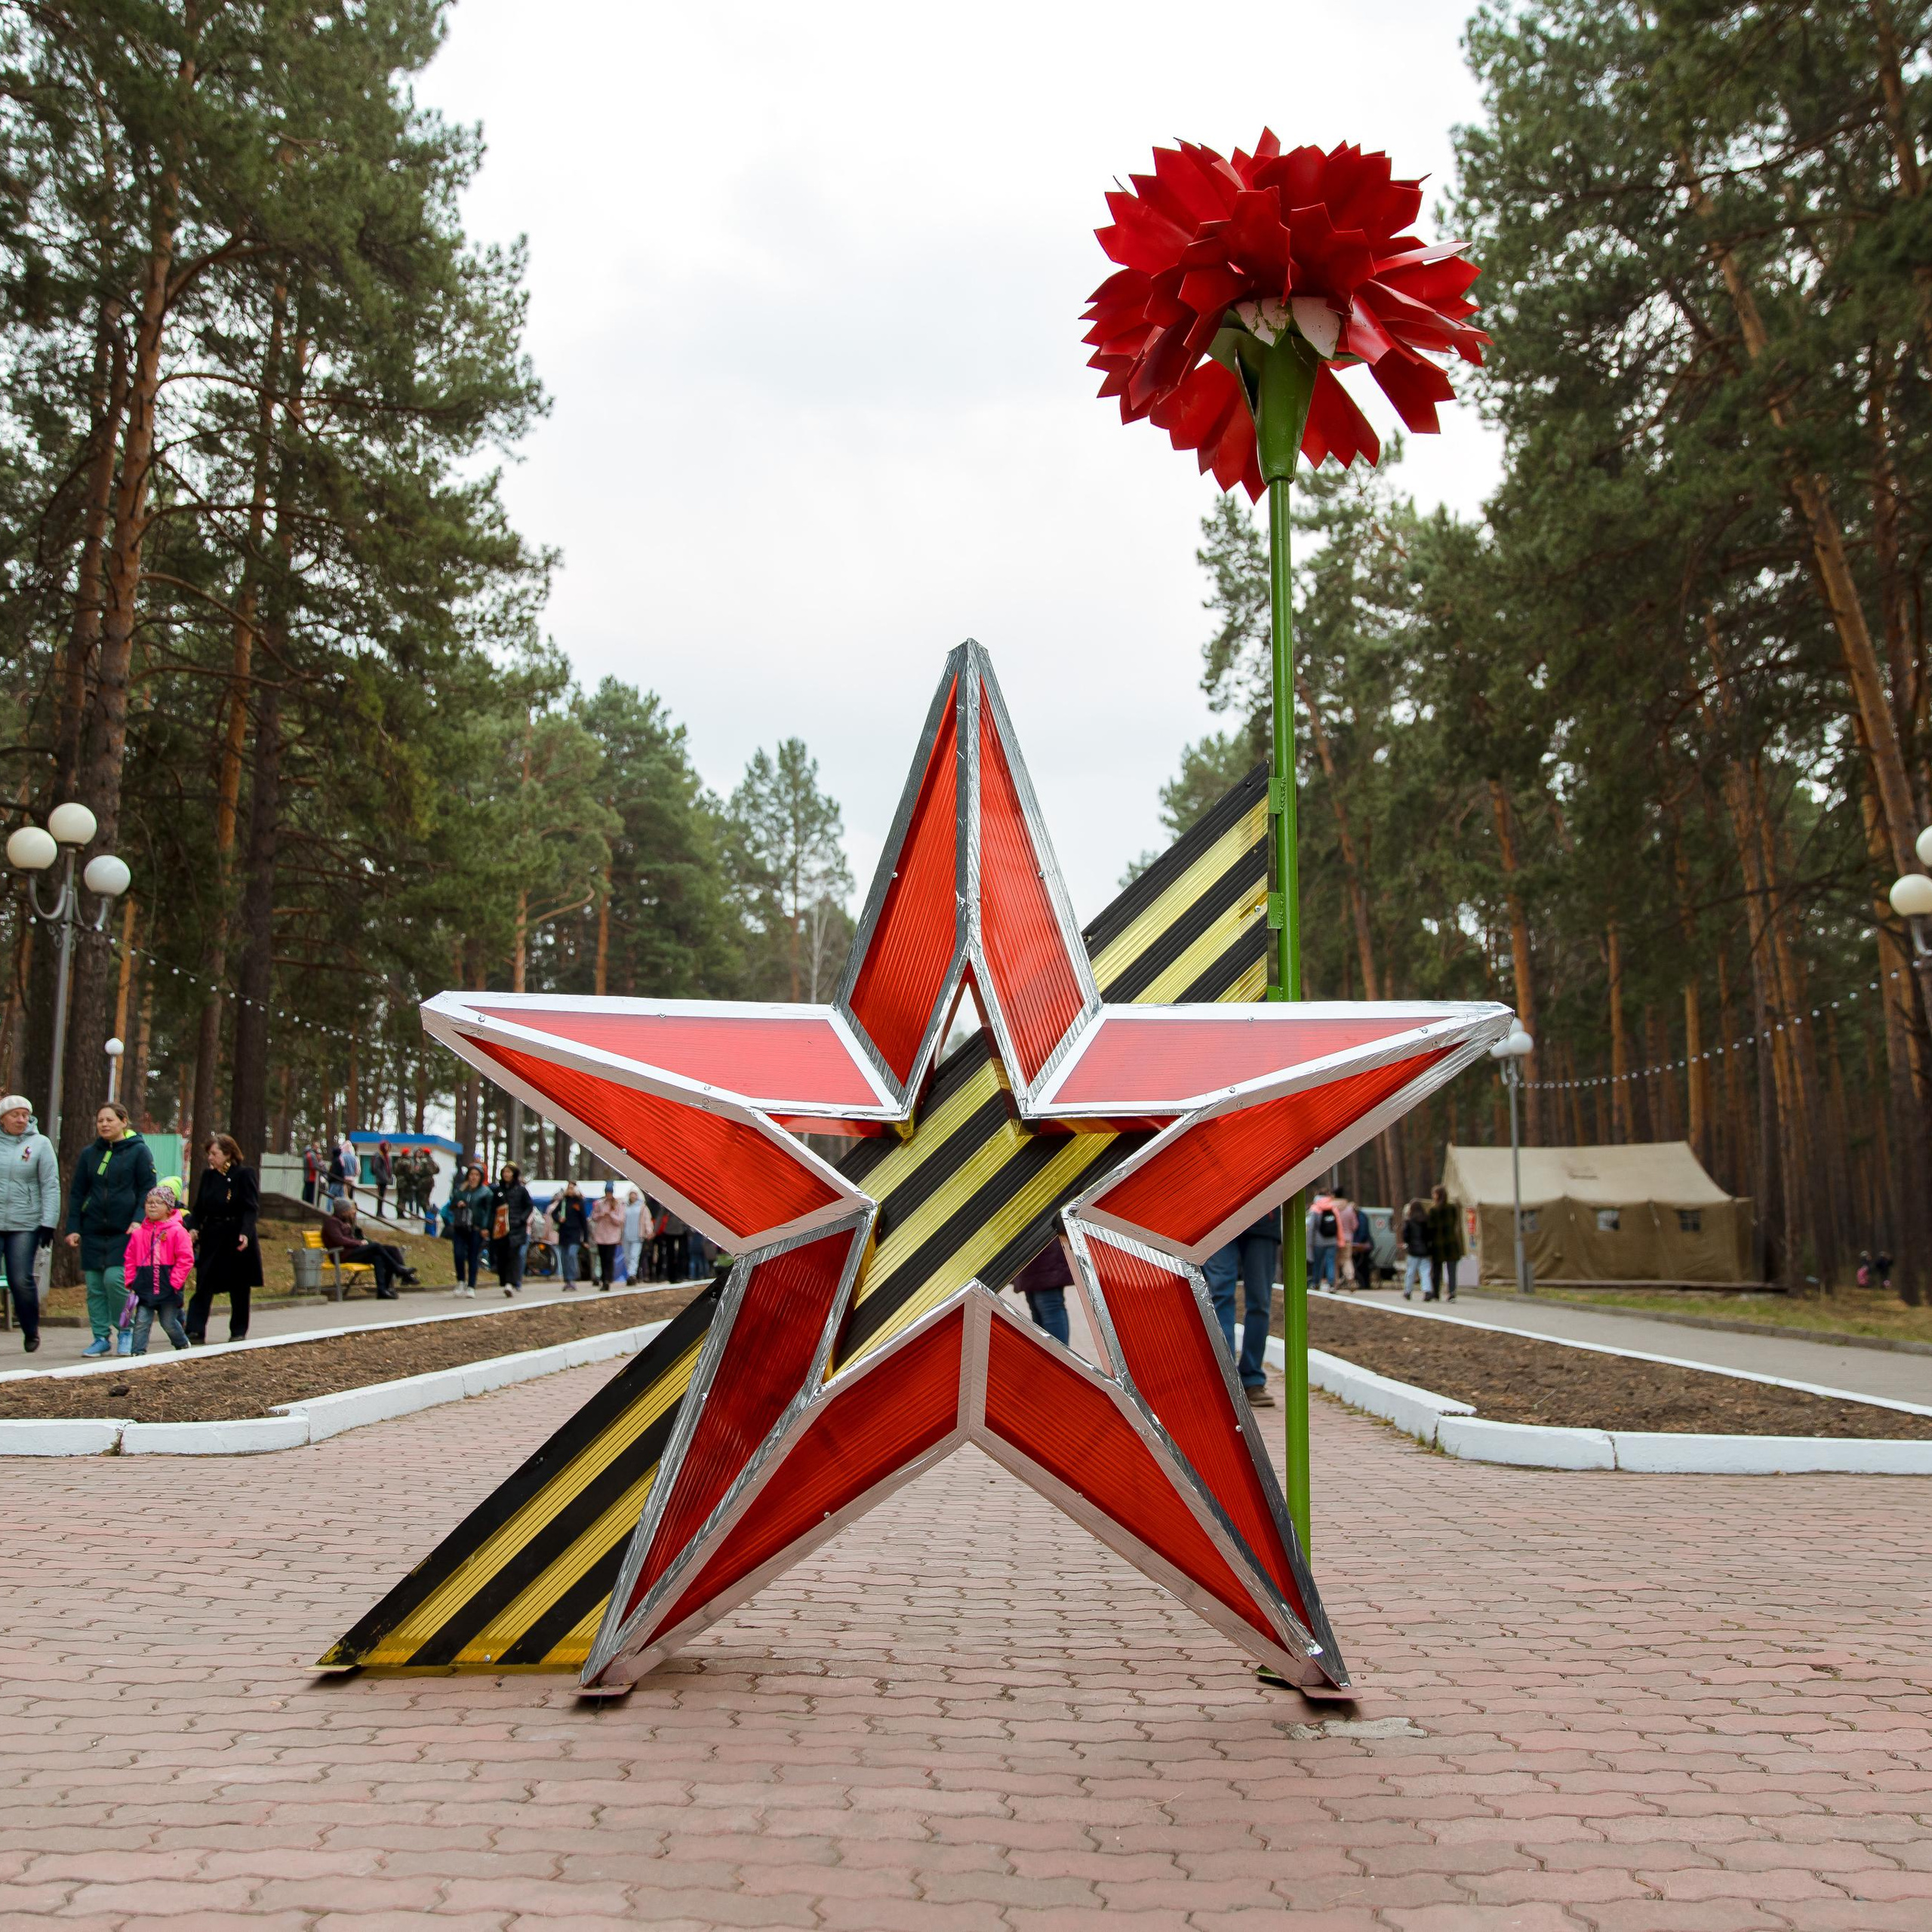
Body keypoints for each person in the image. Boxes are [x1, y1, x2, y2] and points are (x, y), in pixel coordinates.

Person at [65, 1100, 156, 1358]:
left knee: (115, 1280)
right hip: (93, 1230)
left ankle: (125, 1330)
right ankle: (100, 1337)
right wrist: (73, 1227)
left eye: (110, 1120)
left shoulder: (139, 1152)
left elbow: (147, 1189)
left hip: (125, 1231)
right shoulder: (89, 1154)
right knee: (95, 1285)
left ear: (123, 1122)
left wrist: (139, 1219)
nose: (104, 1124)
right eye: (100, 1121)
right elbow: (78, 1193)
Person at [185, 1133, 264, 1343]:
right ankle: (195, 1329)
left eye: (214, 1153)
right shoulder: (208, 1176)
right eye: (209, 1154)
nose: (210, 1158)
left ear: (228, 1154)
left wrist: (245, 1232)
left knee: (239, 1286)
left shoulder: (244, 1174)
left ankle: (238, 1330)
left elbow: (250, 1208)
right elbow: (199, 1209)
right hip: (212, 1235)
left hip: (236, 1235)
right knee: (204, 1283)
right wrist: (193, 1227)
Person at [0, 1094, 59, 1355]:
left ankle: (30, 1329)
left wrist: (48, 1223)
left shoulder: (40, 1144)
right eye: (15, 1115)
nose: (21, 1119)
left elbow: (50, 1185)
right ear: (3, 1119)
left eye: (25, 1115)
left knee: (20, 1279)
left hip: (25, 1223)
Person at [1204, 1208, 1279, 1406]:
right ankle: (1227, 1380)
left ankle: (1252, 1379)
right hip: (1218, 1217)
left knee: (1260, 1301)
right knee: (1220, 1296)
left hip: (1263, 1217)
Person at [122, 1184, 193, 1355]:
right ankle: (137, 1353)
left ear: (169, 1208)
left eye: (158, 1202)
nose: (152, 1206)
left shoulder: (178, 1232)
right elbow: (130, 1259)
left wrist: (175, 1282)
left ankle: (183, 1345)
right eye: (149, 1202)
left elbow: (186, 1259)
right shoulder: (139, 1233)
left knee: (168, 1322)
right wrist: (131, 1280)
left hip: (169, 1288)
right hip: (144, 1287)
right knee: (141, 1321)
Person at [320, 1196, 417, 1298]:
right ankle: (399, 1270)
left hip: (352, 1251)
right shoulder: (332, 1222)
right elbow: (339, 1240)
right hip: (342, 1254)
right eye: (349, 1210)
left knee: (383, 1255)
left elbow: (352, 1237)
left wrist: (359, 1239)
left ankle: (383, 1290)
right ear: (343, 1211)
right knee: (376, 1246)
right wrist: (359, 1243)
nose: (352, 1212)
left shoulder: (345, 1222)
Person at [1012, 1231, 1073, 1346]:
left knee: (1048, 1304)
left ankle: (1058, 1354)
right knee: (1035, 1304)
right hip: (1029, 1243)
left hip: (1044, 1240)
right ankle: (1046, 1353)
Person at [448, 1163, 492, 1297]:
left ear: (481, 1177)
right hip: (460, 1227)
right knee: (458, 1254)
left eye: (477, 1175)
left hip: (476, 1228)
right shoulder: (461, 1190)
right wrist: (458, 1203)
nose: (474, 1177)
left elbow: (488, 1212)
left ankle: (471, 1285)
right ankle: (461, 1280)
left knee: (473, 1256)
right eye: (472, 1174)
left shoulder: (486, 1192)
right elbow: (451, 1205)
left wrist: (485, 1227)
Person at [490, 1162, 533, 1296]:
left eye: (509, 1172)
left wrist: (522, 1219)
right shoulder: (498, 1190)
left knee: (513, 1255)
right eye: (505, 1172)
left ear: (514, 1174)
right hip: (501, 1228)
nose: (506, 1174)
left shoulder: (521, 1190)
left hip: (516, 1228)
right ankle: (504, 1281)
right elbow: (493, 1208)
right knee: (501, 1255)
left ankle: (511, 1282)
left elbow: (529, 1206)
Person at [1425, 1184, 1464, 1302]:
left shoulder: (1433, 1210)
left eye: (1434, 1194)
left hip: (1438, 1243)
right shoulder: (1452, 1208)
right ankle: (1452, 1292)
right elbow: (1455, 1223)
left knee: (1436, 1270)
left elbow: (1430, 1228)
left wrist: (1428, 1242)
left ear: (1437, 1195)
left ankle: (1436, 1292)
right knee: (1452, 1271)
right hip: (1451, 1242)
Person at [551, 1180, 588, 1288]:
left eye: (572, 1188)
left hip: (575, 1233)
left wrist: (585, 1239)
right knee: (564, 1256)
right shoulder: (564, 1201)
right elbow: (553, 1213)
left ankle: (572, 1278)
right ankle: (567, 1279)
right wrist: (559, 1219)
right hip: (564, 1233)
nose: (570, 1190)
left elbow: (584, 1221)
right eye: (569, 1188)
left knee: (572, 1254)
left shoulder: (579, 1202)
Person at [590, 1181, 624, 1291]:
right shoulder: (600, 1204)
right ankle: (603, 1278)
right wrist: (601, 1215)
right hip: (601, 1235)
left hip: (612, 1236)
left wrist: (611, 1215)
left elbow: (620, 1220)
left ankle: (608, 1279)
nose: (608, 1194)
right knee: (603, 1258)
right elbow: (593, 1217)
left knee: (609, 1258)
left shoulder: (618, 1204)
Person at [1306, 1191, 1340, 1288]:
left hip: (1318, 1242)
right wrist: (1340, 1240)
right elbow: (1339, 1225)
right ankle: (1331, 1283)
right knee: (1331, 1262)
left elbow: (1312, 1227)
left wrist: (1310, 1242)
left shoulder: (1315, 1209)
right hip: (1332, 1241)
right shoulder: (1333, 1208)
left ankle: (1316, 1283)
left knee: (1318, 1263)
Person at [1400, 1198, 1430, 1300]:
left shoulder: (1409, 1221)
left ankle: (1408, 1291)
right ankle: (1427, 1290)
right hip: (1425, 1249)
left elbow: (1406, 1236)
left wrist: (1408, 1244)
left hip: (1413, 1250)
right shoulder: (1426, 1220)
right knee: (1425, 1271)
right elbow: (1429, 1235)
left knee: (1411, 1272)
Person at [1349, 1200, 1376, 1293]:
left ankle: (1365, 1283)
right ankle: (1363, 1282)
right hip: (1362, 1244)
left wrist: (1356, 1243)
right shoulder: (1360, 1216)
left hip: (1364, 1245)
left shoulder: (1361, 1217)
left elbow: (1362, 1232)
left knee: (1363, 1264)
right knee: (1361, 1264)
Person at [620, 1186, 645, 1284]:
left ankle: (632, 1274)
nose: (633, 1196)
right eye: (631, 1194)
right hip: (626, 1235)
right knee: (627, 1257)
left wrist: (648, 1231)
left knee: (634, 1256)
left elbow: (646, 1220)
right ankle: (629, 1273)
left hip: (637, 1236)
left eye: (635, 1194)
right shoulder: (624, 1206)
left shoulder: (642, 1207)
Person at [300, 1140, 321, 1208]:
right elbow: (314, 1168)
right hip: (311, 1178)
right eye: (317, 1147)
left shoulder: (307, 1154)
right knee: (311, 1196)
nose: (318, 1149)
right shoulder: (311, 1155)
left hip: (308, 1177)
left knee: (306, 1195)